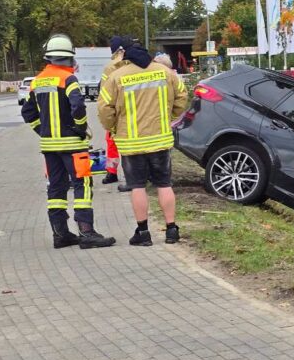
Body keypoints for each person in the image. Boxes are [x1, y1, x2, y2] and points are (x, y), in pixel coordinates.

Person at [22, 33, 116, 249]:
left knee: (56, 189)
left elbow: (27, 112)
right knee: (82, 185)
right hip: (73, 146)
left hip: (49, 147)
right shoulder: (69, 79)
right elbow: (78, 106)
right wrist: (80, 128)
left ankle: (61, 234)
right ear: (68, 58)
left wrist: (42, 131)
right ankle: (87, 233)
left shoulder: (37, 81)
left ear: (49, 58)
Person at [98, 39, 187, 246]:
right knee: (164, 184)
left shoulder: (116, 77)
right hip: (160, 139)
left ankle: (143, 233)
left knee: (137, 187)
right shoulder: (165, 72)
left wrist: (113, 128)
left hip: (131, 143)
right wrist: (169, 115)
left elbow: (104, 109)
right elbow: (182, 96)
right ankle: (172, 230)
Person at [100, 36, 132, 189]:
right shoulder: (134, 63)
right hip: (133, 109)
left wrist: (106, 116)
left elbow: (104, 93)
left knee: (112, 144)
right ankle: (132, 175)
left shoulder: (109, 67)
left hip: (115, 111)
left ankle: (112, 172)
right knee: (130, 144)